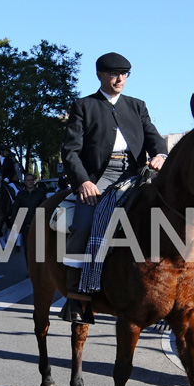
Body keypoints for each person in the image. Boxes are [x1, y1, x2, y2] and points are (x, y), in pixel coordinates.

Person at [60, 52, 168, 323]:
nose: (120, 78)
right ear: (100, 75)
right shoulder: (84, 105)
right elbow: (70, 151)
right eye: (113, 74)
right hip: (98, 177)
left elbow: (154, 137)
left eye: (124, 74)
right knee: (83, 225)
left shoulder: (137, 106)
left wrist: (161, 155)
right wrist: (84, 181)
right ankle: (76, 297)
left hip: (135, 174)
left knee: (168, 214)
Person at [10, 172, 48, 265]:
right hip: (26, 226)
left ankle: (40, 269)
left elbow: (45, 209)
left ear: (34, 181)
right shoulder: (21, 194)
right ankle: (30, 269)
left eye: (31, 180)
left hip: (38, 225)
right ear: (25, 182)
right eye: (28, 180)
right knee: (28, 250)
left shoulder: (41, 193)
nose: (30, 182)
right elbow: (15, 209)